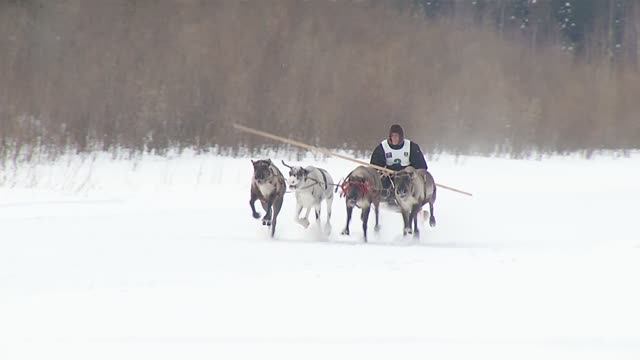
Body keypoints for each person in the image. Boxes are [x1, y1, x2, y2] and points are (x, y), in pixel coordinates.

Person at [369, 124, 428, 203]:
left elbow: (421, 166)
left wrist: (413, 173)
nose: (394, 138)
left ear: (401, 137)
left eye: (397, 136)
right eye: (392, 136)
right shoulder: (383, 147)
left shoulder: (411, 147)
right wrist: (381, 172)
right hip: (390, 174)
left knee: (409, 186)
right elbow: (374, 165)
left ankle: (413, 203)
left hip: (406, 175)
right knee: (382, 184)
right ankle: (386, 202)